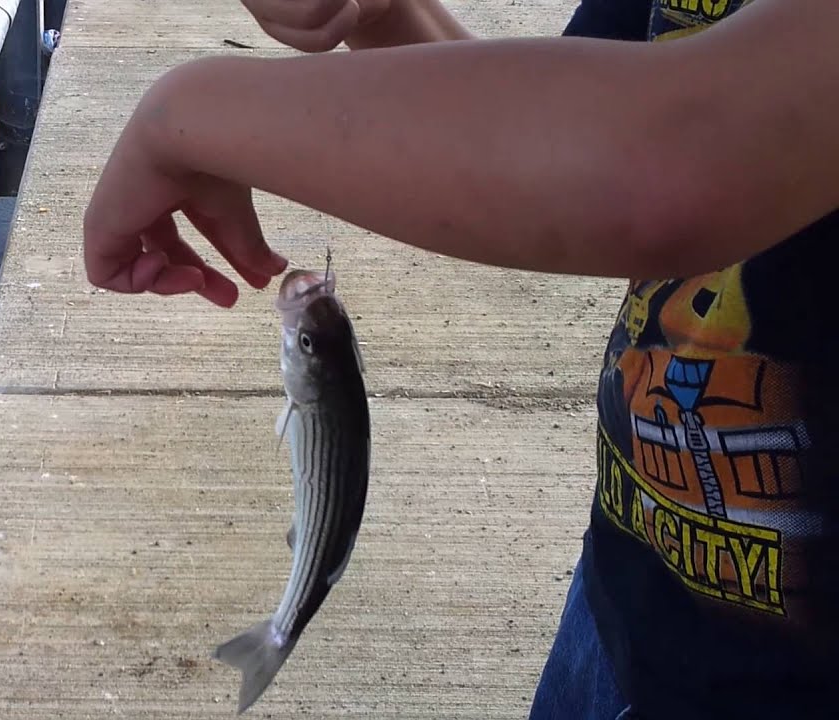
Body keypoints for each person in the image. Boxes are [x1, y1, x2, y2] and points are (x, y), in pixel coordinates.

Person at [80, 0, 839, 718]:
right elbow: (558, 136)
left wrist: (186, 115)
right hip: (635, 580)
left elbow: (672, 160)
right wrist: (387, 15)